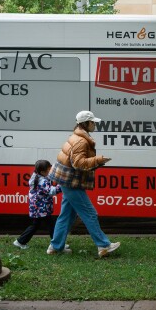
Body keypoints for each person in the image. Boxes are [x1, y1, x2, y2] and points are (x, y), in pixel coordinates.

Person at [47, 110, 120, 258]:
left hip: (66, 179)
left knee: (66, 215)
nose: (94, 124)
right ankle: (103, 245)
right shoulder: (81, 140)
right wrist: (98, 160)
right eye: (92, 122)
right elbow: (78, 163)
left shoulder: (77, 135)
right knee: (89, 213)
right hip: (71, 181)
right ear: (85, 123)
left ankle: (55, 247)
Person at [13, 160, 62, 250]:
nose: (50, 171)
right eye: (49, 170)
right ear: (43, 172)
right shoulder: (42, 181)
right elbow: (51, 191)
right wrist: (62, 186)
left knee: (37, 225)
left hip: (38, 208)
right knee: (50, 225)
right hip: (41, 208)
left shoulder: (37, 176)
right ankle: (57, 243)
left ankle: (20, 241)